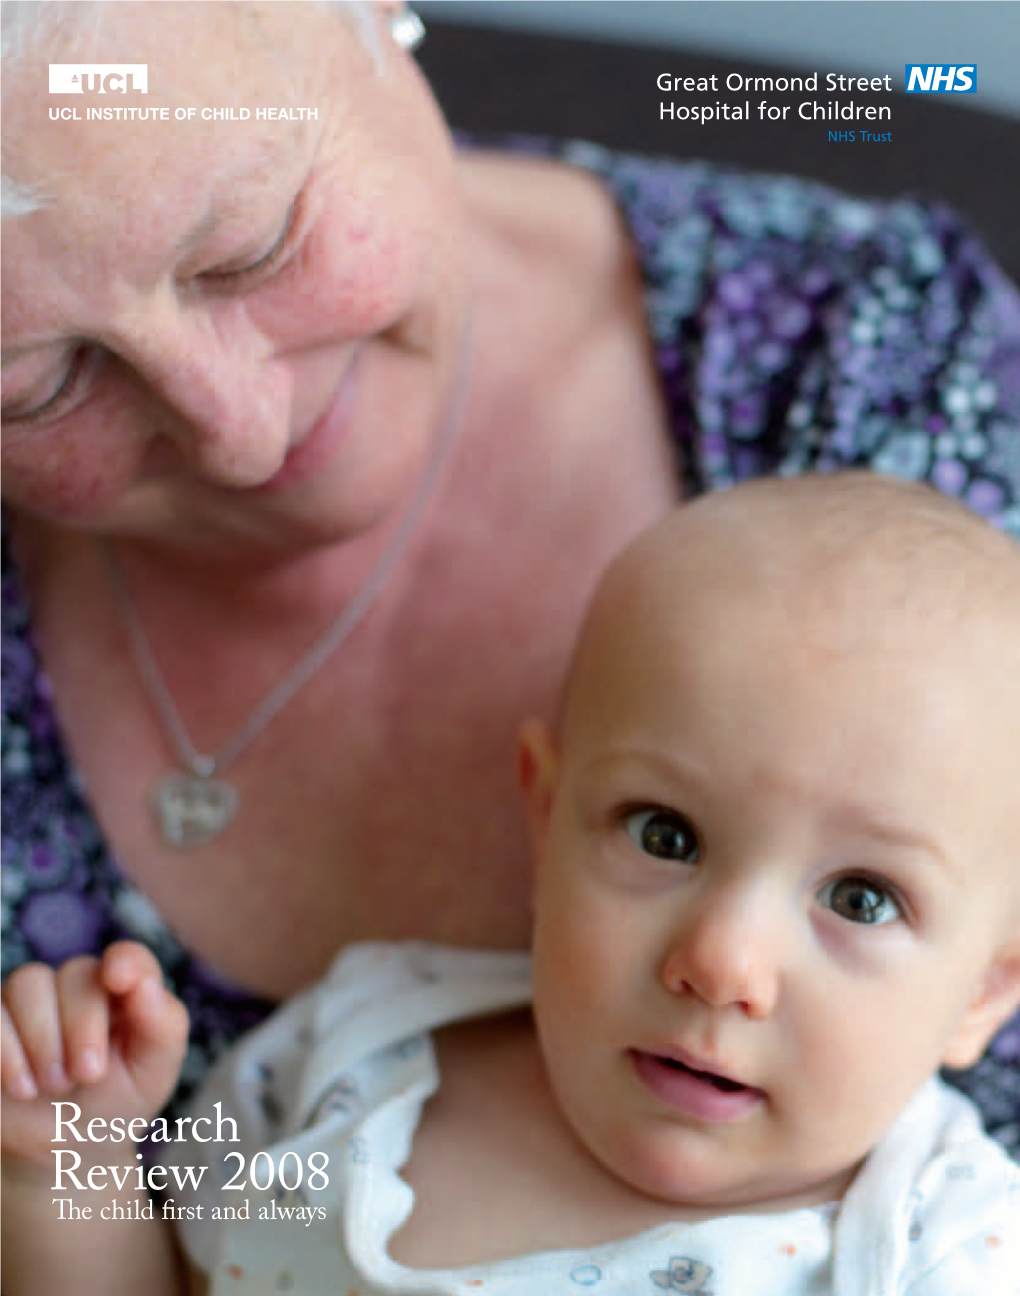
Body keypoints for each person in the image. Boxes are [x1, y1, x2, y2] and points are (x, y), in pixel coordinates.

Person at [1, 0, 1018, 1177]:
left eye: (253, 245)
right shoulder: (336, 1093)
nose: (241, 432)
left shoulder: (878, 372)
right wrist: (62, 1166)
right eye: (39, 386)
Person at [3, 473, 1020, 1294]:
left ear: (983, 989)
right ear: (547, 819)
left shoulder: (940, 1248)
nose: (721, 963)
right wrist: (65, 1164)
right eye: (665, 835)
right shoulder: (355, 1048)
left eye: (861, 900)